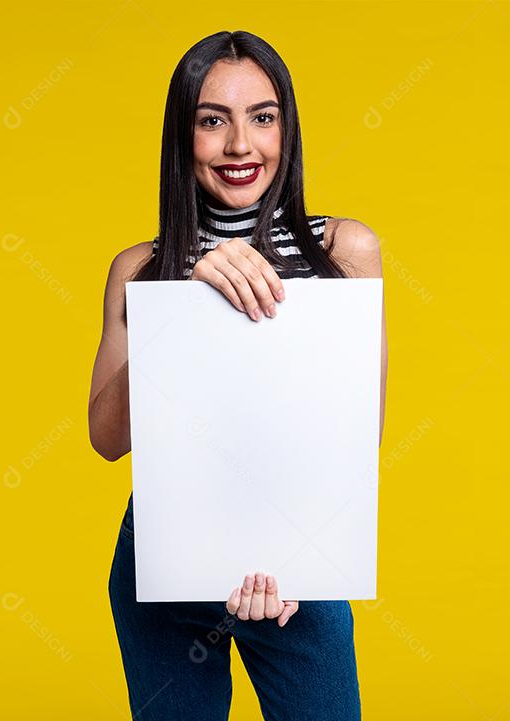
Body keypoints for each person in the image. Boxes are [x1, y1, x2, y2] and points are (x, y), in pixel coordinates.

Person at [87, 30, 387, 720]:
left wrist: (300, 559)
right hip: (163, 560)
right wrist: (183, 303)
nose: (240, 145)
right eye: (212, 120)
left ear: (287, 126)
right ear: (182, 134)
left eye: (262, 116)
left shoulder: (346, 251)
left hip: (292, 569)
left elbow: (356, 435)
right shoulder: (139, 268)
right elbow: (107, 438)